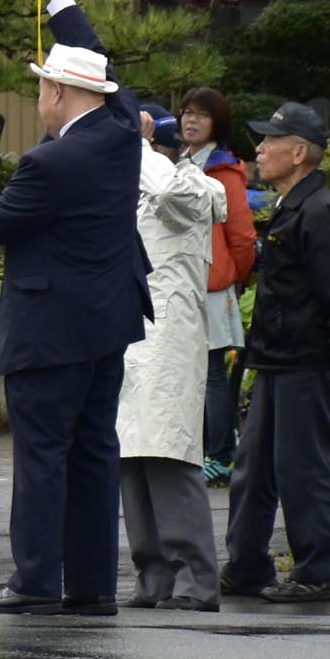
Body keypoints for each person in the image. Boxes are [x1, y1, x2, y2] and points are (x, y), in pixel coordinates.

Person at [0, 40, 151, 614]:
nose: (38, 97)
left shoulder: (51, 161)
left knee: (41, 456)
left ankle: (34, 581)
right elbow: (110, 74)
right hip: (107, 322)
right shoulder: (121, 136)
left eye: (41, 87)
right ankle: (91, 587)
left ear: (58, 91)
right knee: (93, 454)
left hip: (49, 328)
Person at [222, 101, 330, 605]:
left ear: (299, 152)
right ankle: (246, 564)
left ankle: (320, 570)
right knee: (254, 467)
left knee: (302, 469)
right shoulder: (295, 204)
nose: (259, 149)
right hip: (276, 357)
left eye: (269, 142)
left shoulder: (320, 212)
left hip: (304, 360)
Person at [119, 110, 226, 610]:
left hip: (169, 342)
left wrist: (138, 148)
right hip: (133, 338)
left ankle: (195, 580)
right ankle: (154, 575)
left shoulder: (194, 189)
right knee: (132, 458)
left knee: (167, 454)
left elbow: (169, 196)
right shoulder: (143, 182)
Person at [175, 86, 258, 484]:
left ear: (217, 123)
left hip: (211, 285)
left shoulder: (224, 170)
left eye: (201, 115)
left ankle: (221, 455)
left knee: (211, 375)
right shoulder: (183, 162)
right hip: (185, 284)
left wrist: (230, 276)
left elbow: (242, 237)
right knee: (195, 373)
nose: (191, 120)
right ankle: (205, 451)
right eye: (187, 113)